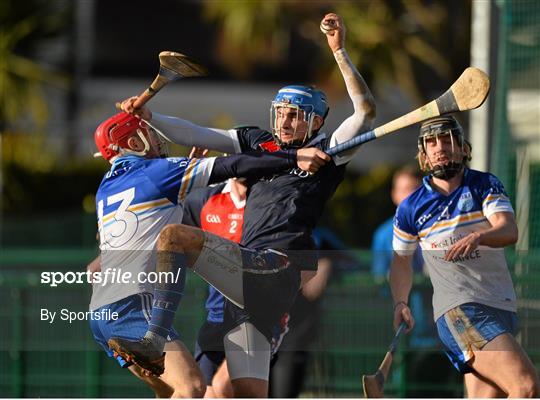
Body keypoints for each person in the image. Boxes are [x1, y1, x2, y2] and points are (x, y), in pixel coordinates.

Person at [112, 12, 376, 397]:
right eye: (281, 112)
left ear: (316, 123)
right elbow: (199, 133)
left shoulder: (329, 152)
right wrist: (150, 117)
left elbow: (365, 111)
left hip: (275, 266)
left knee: (175, 237)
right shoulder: (261, 144)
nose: (284, 121)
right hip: (249, 291)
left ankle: (153, 335)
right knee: (247, 392)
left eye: (295, 115)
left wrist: (339, 52)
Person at [88, 111, 326, 396]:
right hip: (134, 305)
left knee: (171, 392)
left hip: (100, 313)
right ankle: (154, 338)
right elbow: (234, 164)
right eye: (149, 134)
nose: (157, 141)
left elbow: (157, 208)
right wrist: (293, 157)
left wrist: (188, 166)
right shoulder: (160, 173)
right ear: (135, 142)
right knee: (193, 387)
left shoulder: (106, 186)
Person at [390, 115, 540, 397]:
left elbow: (508, 229)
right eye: (431, 142)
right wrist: (400, 301)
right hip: (461, 310)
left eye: (447, 139)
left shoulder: (484, 185)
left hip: (501, 304)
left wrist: (480, 237)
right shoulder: (411, 208)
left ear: (464, 148)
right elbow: (400, 261)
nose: (439, 147)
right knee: (526, 387)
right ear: (423, 154)